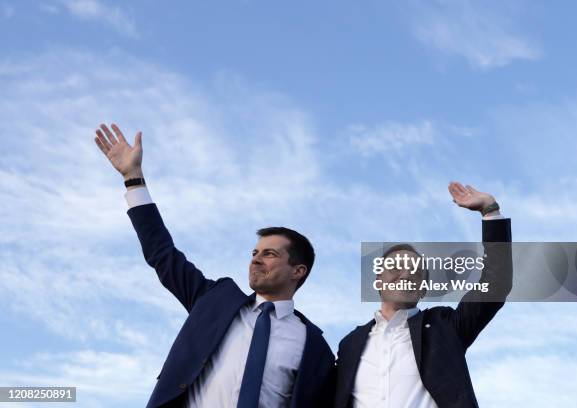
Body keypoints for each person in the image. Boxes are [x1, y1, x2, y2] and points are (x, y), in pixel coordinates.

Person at [94, 123, 335, 408]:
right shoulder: (215, 300)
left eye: (269, 254)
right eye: (254, 252)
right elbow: (162, 254)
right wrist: (133, 178)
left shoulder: (314, 347)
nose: (256, 259)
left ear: (298, 271)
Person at [334, 182, 512, 408]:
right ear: (378, 280)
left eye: (415, 272)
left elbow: (495, 283)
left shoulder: (445, 327)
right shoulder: (350, 343)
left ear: (423, 289)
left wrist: (490, 210)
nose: (406, 274)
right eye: (396, 267)